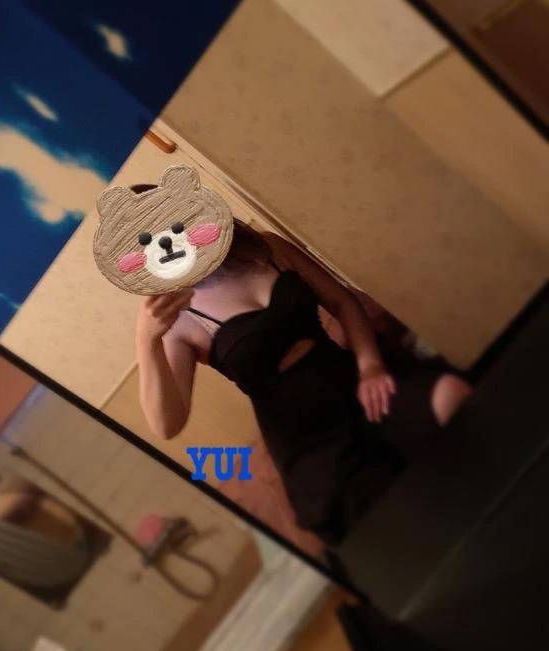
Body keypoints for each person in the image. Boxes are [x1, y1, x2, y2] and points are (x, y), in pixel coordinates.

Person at [136, 202, 471, 543]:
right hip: (306, 437)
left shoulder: (266, 248)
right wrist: (146, 341)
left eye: (173, 227)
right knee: (389, 505)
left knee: (450, 395)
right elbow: (167, 425)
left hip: (350, 381)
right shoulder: (180, 321)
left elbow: (342, 303)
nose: (168, 242)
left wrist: (371, 365)